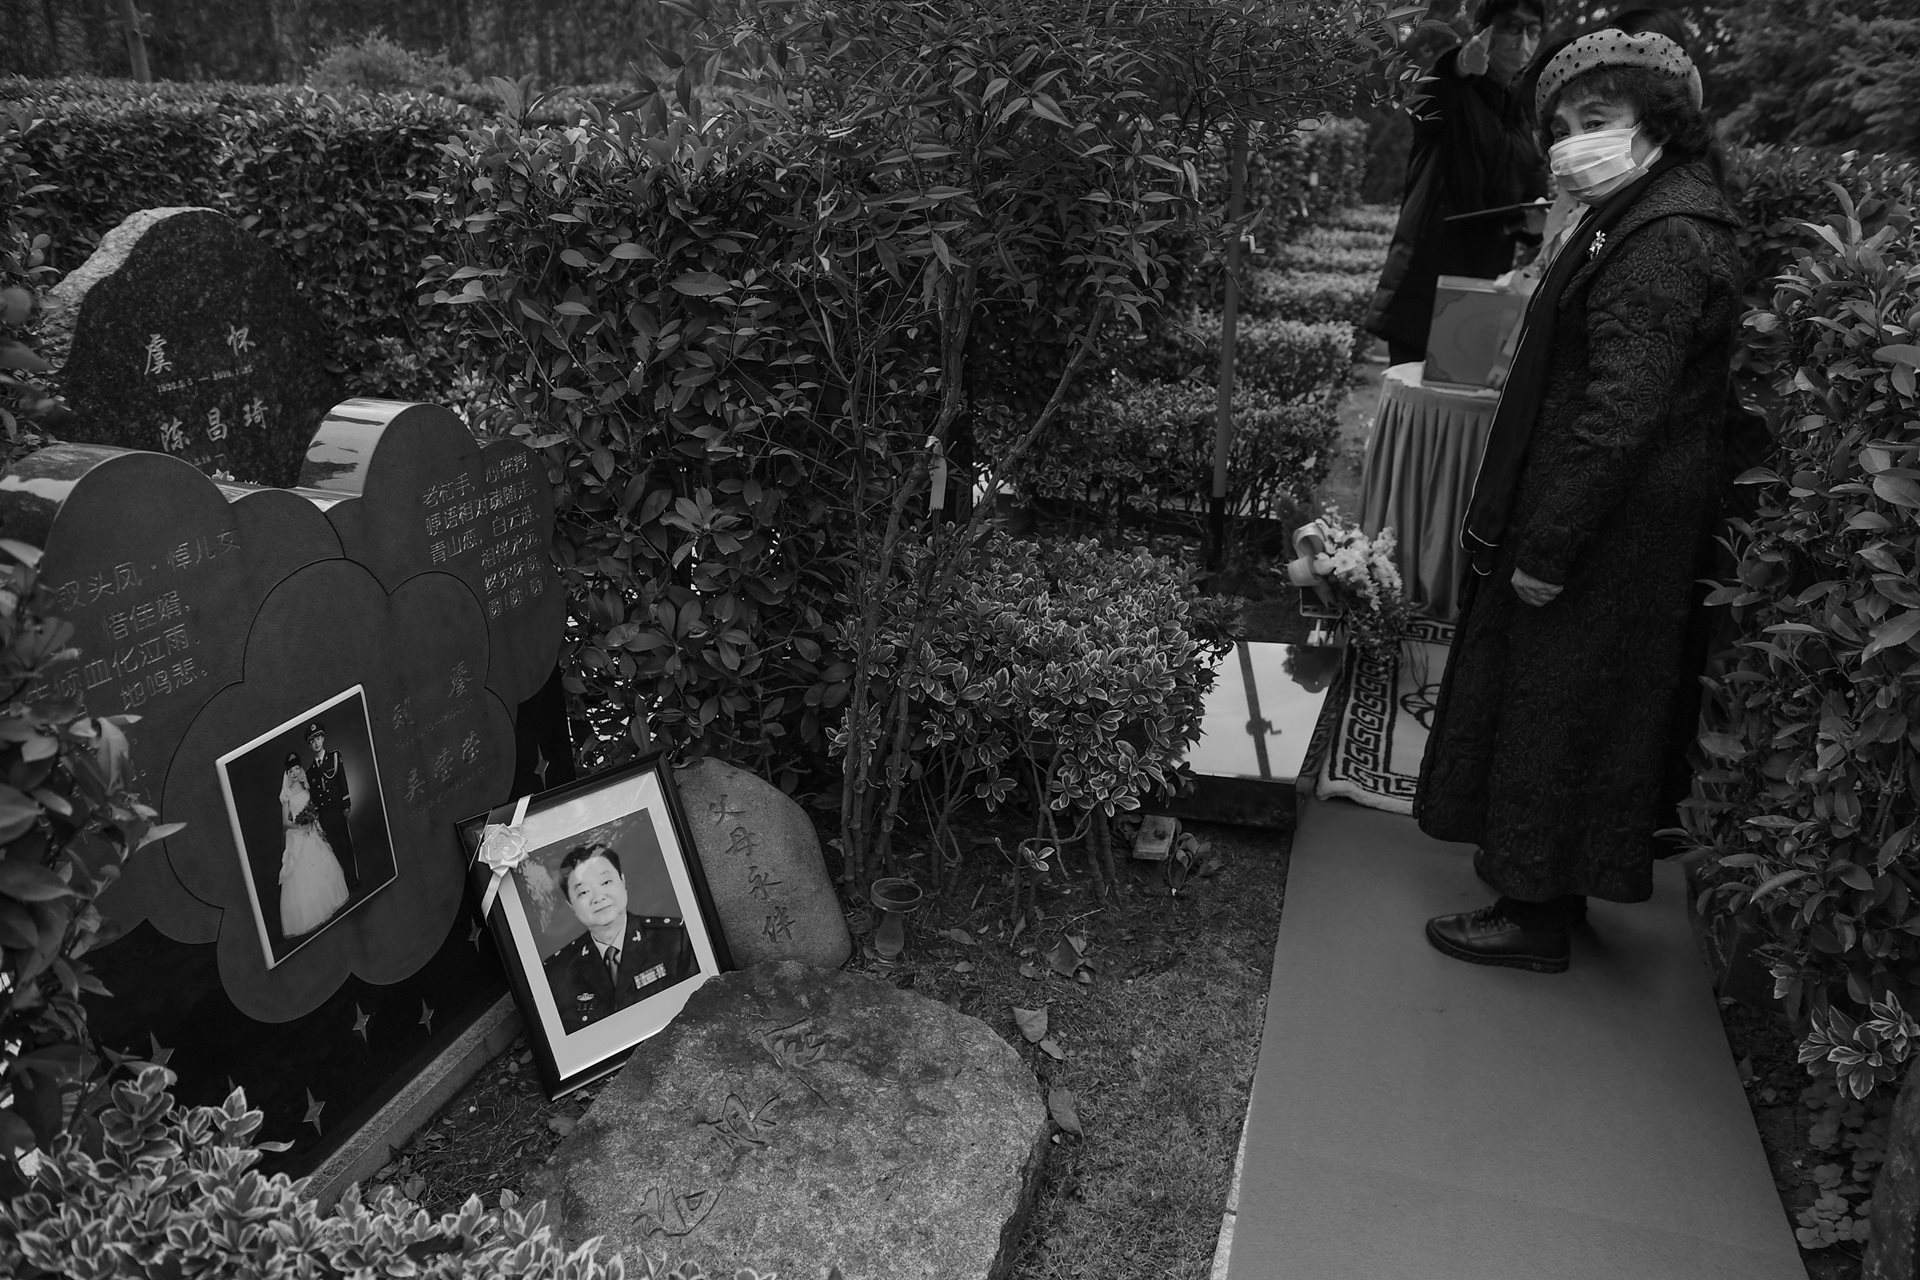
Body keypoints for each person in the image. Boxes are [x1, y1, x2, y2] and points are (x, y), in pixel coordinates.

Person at [1415, 30, 1743, 973]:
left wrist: (1549, 547)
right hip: (1610, 521)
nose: (1569, 143)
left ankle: (1532, 915)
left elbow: (1619, 415)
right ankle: (1544, 887)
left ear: (1660, 125)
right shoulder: (1634, 211)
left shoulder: (1667, 235)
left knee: (1558, 711)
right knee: (1559, 706)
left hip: (1609, 530)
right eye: (1560, 126)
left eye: (1595, 121)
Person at [1363, 0, 1550, 367]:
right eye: (1512, 26)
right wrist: (1460, 64)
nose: (1522, 40)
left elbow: (1525, 198)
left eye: (1533, 30)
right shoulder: (1454, 90)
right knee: (1416, 412)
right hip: (1426, 286)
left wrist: (1539, 221)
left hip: (1483, 291)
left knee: (1456, 412)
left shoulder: (1521, 115)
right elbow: (1427, 99)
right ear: (1485, 31)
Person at [542, 841, 697, 1032]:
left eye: (606, 882)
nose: (598, 897)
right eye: (583, 892)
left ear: (623, 882)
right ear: (571, 905)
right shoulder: (558, 972)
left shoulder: (675, 939)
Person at [278, 753, 349, 938]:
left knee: (323, 861)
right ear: (286, 773)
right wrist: (300, 825)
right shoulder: (286, 794)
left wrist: (312, 819)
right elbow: (285, 822)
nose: (294, 773)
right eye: (290, 771)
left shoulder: (304, 783)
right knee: (302, 873)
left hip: (311, 830)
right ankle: (310, 914)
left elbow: (313, 805)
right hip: (298, 834)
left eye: (296, 769)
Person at [305, 721, 358, 890]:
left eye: (318, 738)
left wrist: (346, 803)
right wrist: (316, 817)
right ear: (310, 745)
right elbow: (313, 796)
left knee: (346, 846)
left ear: (323, 738)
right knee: (335, 849)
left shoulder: (334, 757)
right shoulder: (310, 771)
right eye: (312, 741)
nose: (316, 743)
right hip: (325, 815)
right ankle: (345, 885)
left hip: (337, 810)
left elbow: (342, 780)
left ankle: (354, 881)